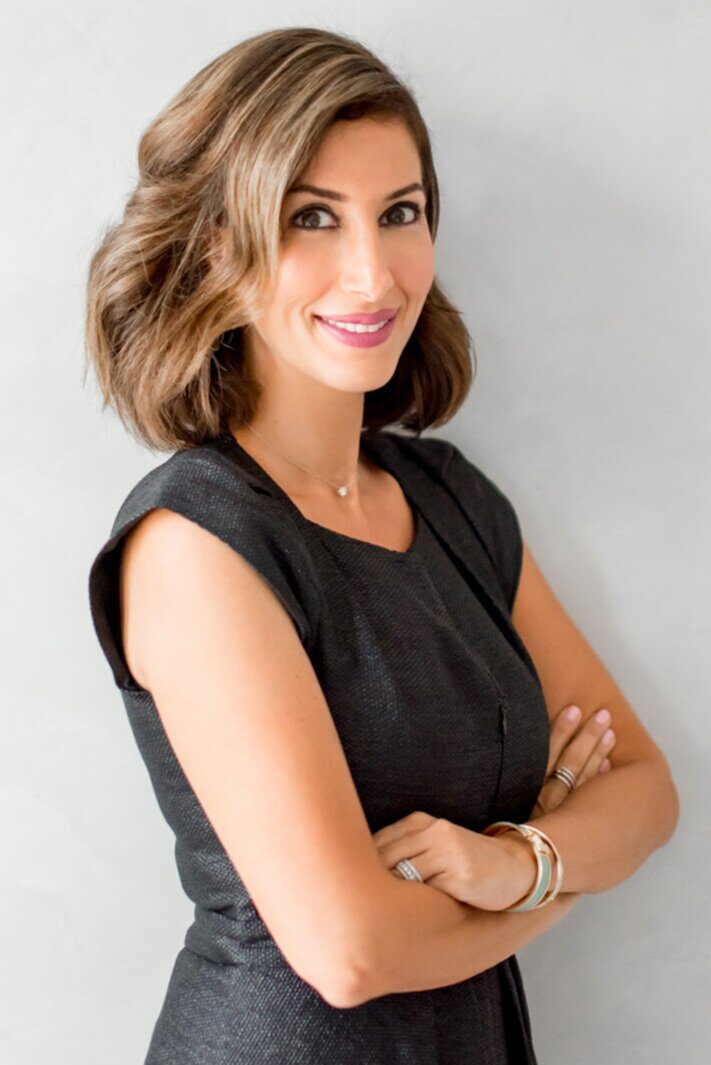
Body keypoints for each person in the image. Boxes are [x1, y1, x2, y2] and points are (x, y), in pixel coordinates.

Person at [85, 26, 679, 1064]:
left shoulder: (453, 502)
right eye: (312, 216)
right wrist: (555, 887)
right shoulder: (196, 542)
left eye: (400, 213)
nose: (373, 272)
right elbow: (347, 950)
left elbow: (643, 791)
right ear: (222, 250)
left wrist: (514, 864)